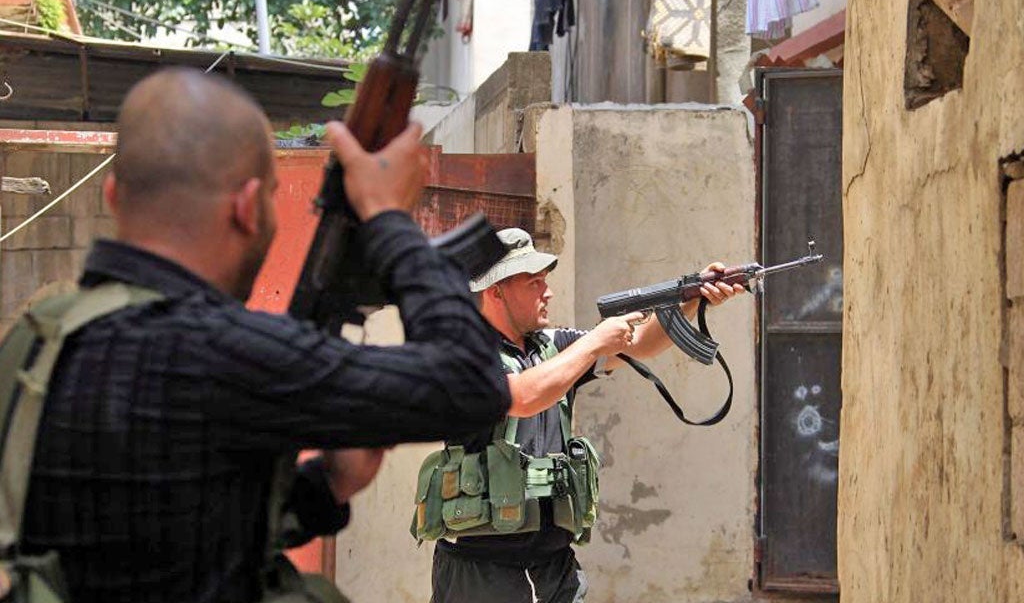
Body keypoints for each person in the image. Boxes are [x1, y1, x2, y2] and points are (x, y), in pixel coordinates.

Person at [10, 67, 511, 603]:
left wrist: (327, 486)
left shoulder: (36, 342)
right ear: (248, 206)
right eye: (273, 195)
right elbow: (473, 387)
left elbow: (158, 537)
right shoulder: (220, 351)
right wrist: (388, 216)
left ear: (112, 194)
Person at [417, 228, 745, 603]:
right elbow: (522, 396)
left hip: (552, 564)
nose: (548, 291)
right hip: (481, 571)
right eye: (534, 283)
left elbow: (640, 344)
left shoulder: (552, 346)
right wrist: (593, 343)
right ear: (496, 291)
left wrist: (692, 298)